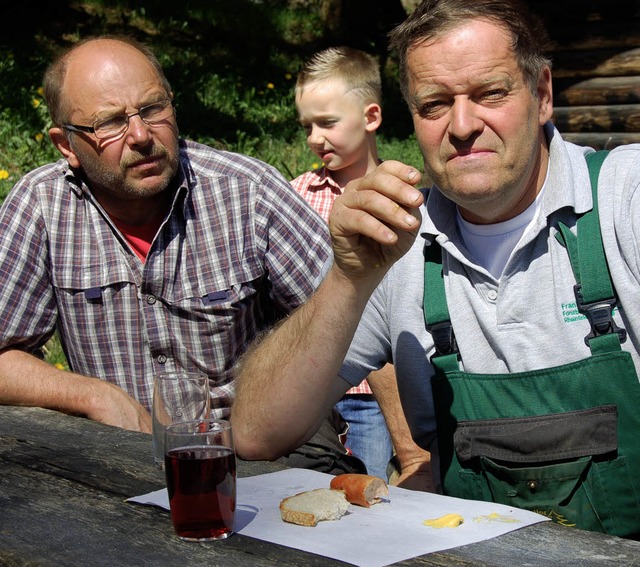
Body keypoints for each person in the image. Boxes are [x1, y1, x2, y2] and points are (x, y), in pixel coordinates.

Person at [232, 0, 640, 538]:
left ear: (542, 94)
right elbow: (257, 431)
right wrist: (348, 278)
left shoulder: (622, 199)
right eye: (435, 104)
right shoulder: (399, 248)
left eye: (490, 93)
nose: (463, 125)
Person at [0, 35, 365, 475]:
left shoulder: (247, 192)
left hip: (273, 457)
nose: (140, 135)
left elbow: (361, 313)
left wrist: (416, 455)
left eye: (154, 109)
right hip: (129, 460)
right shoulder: (42, 207)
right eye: (110, 123)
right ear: (66, 146)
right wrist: (93, 396)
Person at [291, 46, 394, 480]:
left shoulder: (399, 195)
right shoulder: (294, 195)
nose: (315, 138)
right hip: (310, 385)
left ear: (370, 117)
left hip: (374, 388)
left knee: (370, 488)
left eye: (327, 123)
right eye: (307, 126)